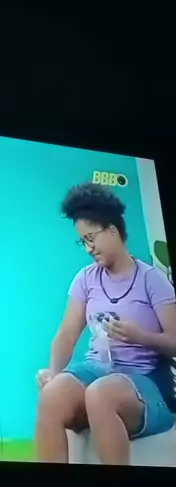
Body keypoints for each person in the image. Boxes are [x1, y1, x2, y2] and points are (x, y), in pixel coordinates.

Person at [35, 182, 176, 465]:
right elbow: (66, 335)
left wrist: (141, 336)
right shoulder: (85, 279)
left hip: (147, 378)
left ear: (112, 230)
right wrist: (53, 371)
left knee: (100, 395)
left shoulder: (152, 280)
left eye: (91, 238)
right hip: (97, 368)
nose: (88, 248)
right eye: (82, 241)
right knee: (51, 396)